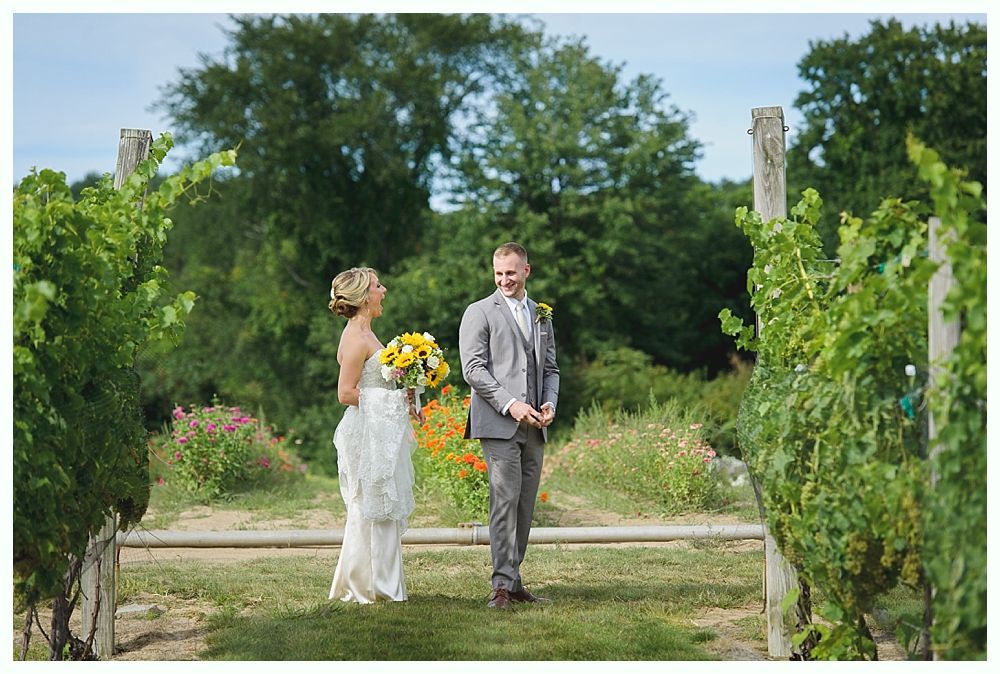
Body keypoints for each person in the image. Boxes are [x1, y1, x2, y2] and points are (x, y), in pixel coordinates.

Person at [458, 242, 560, 610]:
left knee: (525, 505)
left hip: (535, 426)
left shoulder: (541, 315)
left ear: (526, 271)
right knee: (504, 501)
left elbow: (551, 370)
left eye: (511, 273)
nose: (505, 280)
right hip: (498, 423)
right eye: (499, 274)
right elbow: (473, 370)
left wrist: (549, 403)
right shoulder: (479, 312)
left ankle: (514, 581)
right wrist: (512, 404)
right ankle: (500, 584)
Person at [328, 267, 422, 604]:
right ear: (364, 297)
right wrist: (394, 400)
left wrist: (408, 399)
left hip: (380, 431)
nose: (384, 290)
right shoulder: (355, 337)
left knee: (382, 503)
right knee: (368, 506)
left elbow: (377, 383)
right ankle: (367, 586)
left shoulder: (368, 333)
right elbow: (345, 393)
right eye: (378, 286)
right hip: (366, 434)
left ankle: (382, 583)